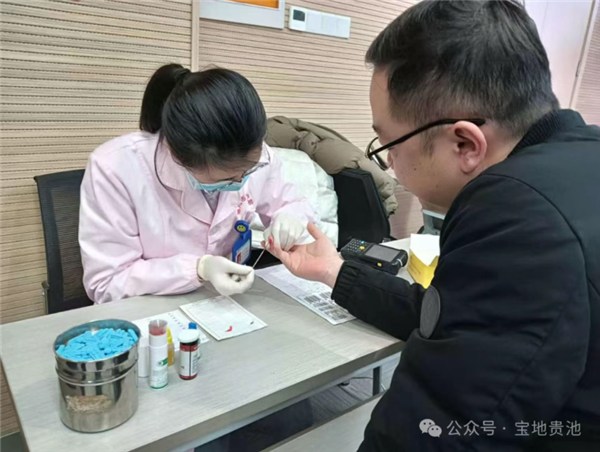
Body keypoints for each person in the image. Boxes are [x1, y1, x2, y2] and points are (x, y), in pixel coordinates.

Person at [266, 1, 600, 450]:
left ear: (465, 144)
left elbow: (439, 428)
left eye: (389, 143)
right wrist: (334, 271)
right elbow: (460, 322)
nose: (389, 163)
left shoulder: (519, 215)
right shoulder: (580, 157)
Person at [80, 64, 314, 304]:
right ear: (177, 156)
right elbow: (106, 283)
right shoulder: (115, 167)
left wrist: (290, 218)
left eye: (248, 171)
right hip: (152, 306)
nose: (241, 182)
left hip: (226, 300)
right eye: (224, 180)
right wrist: (198, 269)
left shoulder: (255, 154)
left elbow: (291, 203)